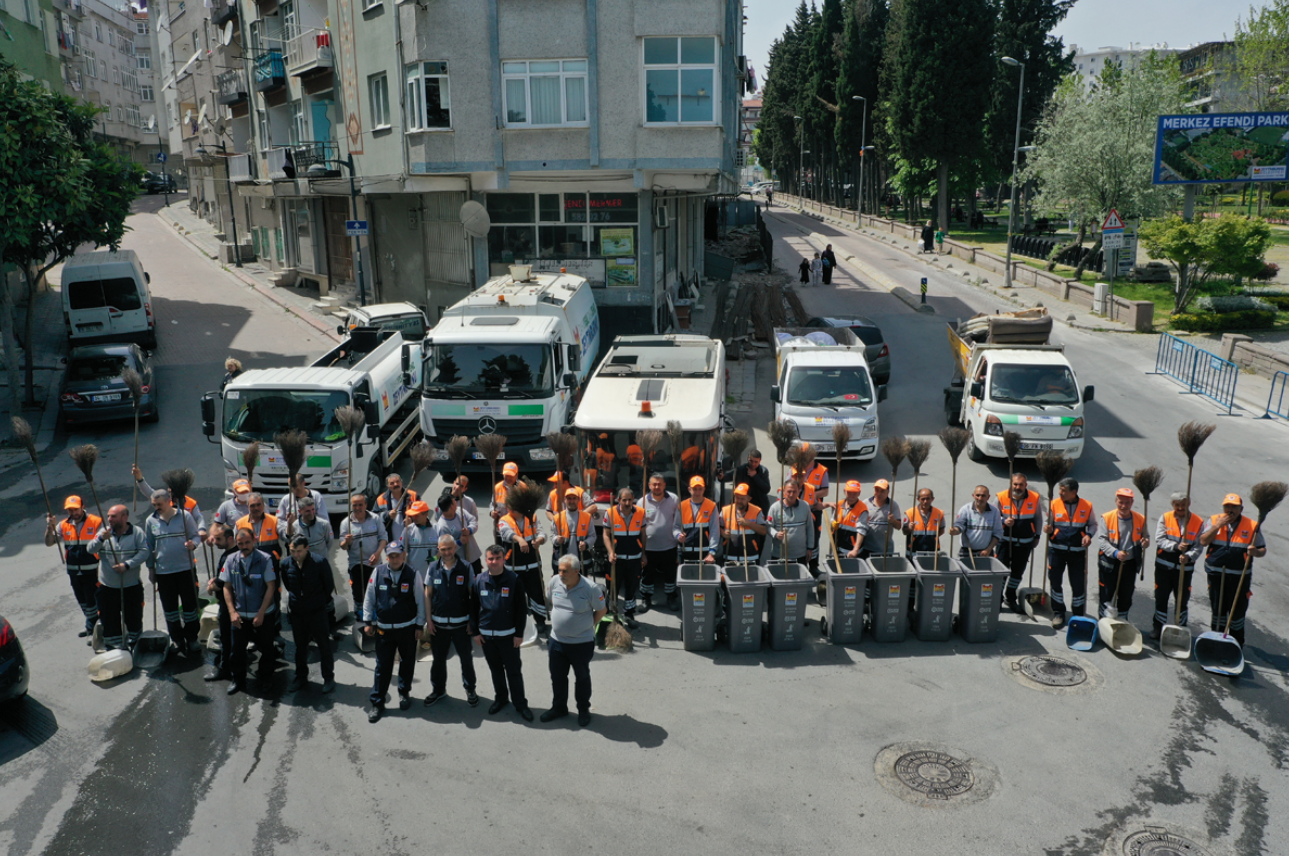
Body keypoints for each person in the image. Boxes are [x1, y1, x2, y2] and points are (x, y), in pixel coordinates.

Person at [362, 541, 424, 722]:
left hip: (408, 628)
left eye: (398, 555)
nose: (395, 559)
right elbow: (369, 598)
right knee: (382, 667)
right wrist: (368, 621)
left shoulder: (413, 574)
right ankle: (377, 702)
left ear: (403, 556)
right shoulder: (378, 572)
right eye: (391, 556)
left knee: (407, 662)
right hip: (384, 630)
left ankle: (404, 693)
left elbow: (420, 601)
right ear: (386, 557)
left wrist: (420, 626)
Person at [542, 555, 606, 727]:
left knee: (582, 677)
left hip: (581, 644)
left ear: (577, 572)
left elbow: (601, 610)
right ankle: (559, 707)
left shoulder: (590, 588)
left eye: (565, 571)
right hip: (557, 642)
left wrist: (587, 625)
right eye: (559, 570)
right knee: (558, 677)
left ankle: (583, 709)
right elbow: (550, 599)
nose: (560, 574)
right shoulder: (555, 581)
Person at [470, 544, 532, 720]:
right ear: (486, 560)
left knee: (513, 672)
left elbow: (521, 609)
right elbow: (473, 608)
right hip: (487, 637)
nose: (494, 562)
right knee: (495, 670)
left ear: (503, 559)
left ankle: (520, 704)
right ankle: (501, 698)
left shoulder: (514, 580)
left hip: (508, 637)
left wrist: (519, 634)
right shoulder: (479, 580)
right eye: (490, 558)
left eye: (498, 558)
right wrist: (475, 632)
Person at [1198, 492, 1267, 647]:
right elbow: (1203, 541)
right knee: (1218, 610)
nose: (1230, 510)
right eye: (1227, 506)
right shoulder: (1215, 520)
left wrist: (1255, 552)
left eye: (1234, 507)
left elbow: (1262, 549)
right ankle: (1215, 642)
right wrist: (1217, 526)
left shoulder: (1252, 525)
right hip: (1216, 574)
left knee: (1237, 612)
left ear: (1241, 509)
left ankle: (1235, 644)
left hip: (1239, 576)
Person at [143, 487, 203, 657]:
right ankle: (177, 639)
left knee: (190, 606)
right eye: (154, 504)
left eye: (159, 504)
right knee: (170, 609)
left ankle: (192, 638)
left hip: (185, 569)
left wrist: (194, 544)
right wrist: (151, 569)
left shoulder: (185, 517)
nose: (156, 507)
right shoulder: (150, 521)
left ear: (169, 501)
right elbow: (149, 546)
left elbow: (196, 535)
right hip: (164, 573)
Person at [219, 526, 278, 694]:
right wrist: (232, 612)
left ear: (254, 541)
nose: (244, 546)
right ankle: (238, 679)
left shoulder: (265, 560)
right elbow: (226, 587)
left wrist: (261, 613)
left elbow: (271, 587)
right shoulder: (230, 560)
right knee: (237, 650)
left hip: (262, 615)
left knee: (266, 648)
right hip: (239, 616)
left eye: (247, 542)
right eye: (240, 543)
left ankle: (266, 678)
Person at [423, 534, 478, 708]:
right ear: (438, 550)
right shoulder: (432, 567)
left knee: (466, 659)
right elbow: (428, 595)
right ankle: (439, 690)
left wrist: (472, 622)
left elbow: (473, 596)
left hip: (461, 624)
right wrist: (429, 620)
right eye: (443, 549)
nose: (446, 552)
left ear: (455, 548)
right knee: (438, 660)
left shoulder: (466, 567)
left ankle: (470, 689)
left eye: (449, 548)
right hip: (438, 624)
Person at [88, 504, 149, 652]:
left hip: (131, 585)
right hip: (108, 587)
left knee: (133, 617)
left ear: (124, 517)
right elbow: (90, 549)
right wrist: (101, 539)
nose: (109, 519)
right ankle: (114, 647)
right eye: (108, 516)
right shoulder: (103, 533)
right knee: (109, 619)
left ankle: (134, 643)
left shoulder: (137, 533)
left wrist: (127, 565)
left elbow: (144, 552)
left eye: (113, 516)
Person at [282, 535, 336, 694]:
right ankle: (300, 677)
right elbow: (287, 584)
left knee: (324, 645)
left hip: (317, 612)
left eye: (299, 551)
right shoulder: (286, 564)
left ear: (307, 548)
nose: (296, 555)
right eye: (292, 551)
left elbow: (328, 586)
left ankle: (328, 678)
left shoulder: (319, 563)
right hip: (297, 613)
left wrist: (317, 602)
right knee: (300, 647)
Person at [45, 495, 102, 639]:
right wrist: (50, 527)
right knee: (82, 600)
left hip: (91, 570)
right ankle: (91, 626)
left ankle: (95, 630)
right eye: (70, 510)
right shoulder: (63, 525)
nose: (73, 513)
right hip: (73, 571)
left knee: (92, 601)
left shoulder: (95, 521)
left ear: (82, 507)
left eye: (75, 509)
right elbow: (49, 542)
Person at [1043, 476, 1097, 630]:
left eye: (1064, 491)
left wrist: (1088, 535)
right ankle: (1059, 613)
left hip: (1077, 553)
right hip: (1056, 551)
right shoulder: (1054, 504)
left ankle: (1078, 615)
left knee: (1078, 585)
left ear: (1074, 492)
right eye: (1060, 489)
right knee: (1055, 582)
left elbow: (1093, 524)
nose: (1060, 493)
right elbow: (1049, 525)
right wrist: (1047, 529)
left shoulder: (1087, 506)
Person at [1151, 492, 1204, 640]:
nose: (1180, 508)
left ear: (1189, 504)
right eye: (1177, 505)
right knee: (1161, 598)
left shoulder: (1198, 522)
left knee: (1182, 600)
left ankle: (1179, 629)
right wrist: (1176, 547)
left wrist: (1188, 556)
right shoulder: (1165, 518)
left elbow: (1199, 547)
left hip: (1184, 569)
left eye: (1183, 505)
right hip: (1163, 567)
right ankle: (1158, 628)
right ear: (1173, 505)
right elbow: (1159, 539)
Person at [499, 491, 548, 633]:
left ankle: (540, 621)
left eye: (512, 507)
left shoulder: (531, 517)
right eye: (508, 506)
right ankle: (516, 622)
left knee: (537, 593)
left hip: (533, 564)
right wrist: (519, 539)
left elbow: (542, 533)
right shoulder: (504, 520)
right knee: (515, 596)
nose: (510, 509)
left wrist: (539, 540)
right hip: (514, 566)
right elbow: (506, 533)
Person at [1096, 488, 1148, 620]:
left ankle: (1122, 620)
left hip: (1130, 564)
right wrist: (1115, 553)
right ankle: (1103, 621)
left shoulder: (1140, 519)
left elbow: (1145, 538)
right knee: (1106, 594)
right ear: (1116, 501)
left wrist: (1146, 542)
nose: (1123, 506)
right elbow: (1102, 540)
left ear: (1132, 503)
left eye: (1127, 502)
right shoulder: (1107, 518)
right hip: (1109, 563)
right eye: (1121, 502)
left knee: (1126, 595)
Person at [997, 473, 1044, 614]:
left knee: (1017, 573)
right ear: (1011, 484)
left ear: (1026, 485)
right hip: (1004, 541)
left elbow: (1038, 519)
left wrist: (1037, 536)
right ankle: (997, 599)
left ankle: (1010, 597)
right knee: (1001, 572)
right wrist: (1003, 520)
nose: (1018, 487)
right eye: (1015, 484)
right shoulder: (1000, 497)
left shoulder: (1034, 498)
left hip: (1025, 543)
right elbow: (992, 516)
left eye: (1021, 484)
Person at [603, 488, 646, 629]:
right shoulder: (609, 513)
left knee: (631, 587)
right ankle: (611, 614)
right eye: (624, 500)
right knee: (613, 587)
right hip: (616, 560)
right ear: (618, 500)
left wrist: (643, 553)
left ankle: (629, 613)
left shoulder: (640, 513)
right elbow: (605, 535)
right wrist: (610, 552)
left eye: (630, 499)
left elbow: (643, 534)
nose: (627, 503)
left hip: (634, 558)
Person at [340, 493, 388, 616]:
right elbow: (342, 546)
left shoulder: (375, 518)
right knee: (358, 591)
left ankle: (378, 612)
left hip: (374, 562)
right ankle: (360, 614)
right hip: (356, 563)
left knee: (376, 589)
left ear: (366, 505)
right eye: (355, 505)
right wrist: (346, 541)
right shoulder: (346, 523)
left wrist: (378, 553)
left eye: (360, 505)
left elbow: (383, 538)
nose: (357, 508)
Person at [639, 474, 679, 615]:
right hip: (649, 547)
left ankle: (671, 597)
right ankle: (646, 598)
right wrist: (642, 551)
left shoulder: (674, 499)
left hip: (669, 545)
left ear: (664, 485)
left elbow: (678, 522)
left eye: (659, 484)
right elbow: (639, 527)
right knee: (647, 574)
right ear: (649, 486)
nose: (657, 487)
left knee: (670, 574)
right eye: (654, 484)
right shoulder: (641, 502)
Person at [133, 465, 207, 539]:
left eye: (171, 489)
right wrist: (140, 479)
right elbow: (149, 492)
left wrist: (202, 529)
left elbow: (199, 518)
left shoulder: (191, 503)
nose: (168, 490)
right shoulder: (165, 500)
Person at [203, 523, 237, 682]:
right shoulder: (229, 553)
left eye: (218, 539)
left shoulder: (231, 556)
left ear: (230, 539)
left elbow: (226, 581)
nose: (214, 541)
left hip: (230, 604)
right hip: (230, 602)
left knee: (228, 637)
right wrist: (216, 579)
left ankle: (227, 669)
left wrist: (213, 586)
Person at [765, 480, 814, 566]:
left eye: (794, 491)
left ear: (799, 491)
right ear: (784, 492)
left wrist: (810, 548)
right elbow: (768, 527)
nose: (791, 494)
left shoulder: (805, 506)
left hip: (800, 555)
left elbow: (810, 528)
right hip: (779, 555)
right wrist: (776, 534)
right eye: (789, 491)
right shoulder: (775, 508)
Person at [677, 475, 720, 570]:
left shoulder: (711, 506)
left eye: (700, 489)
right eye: (694, 489)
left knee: (704, 582)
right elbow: (675, 526)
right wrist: (678, 535)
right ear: (689, 489)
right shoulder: (681, 506)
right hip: (684, 551)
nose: (697, 492)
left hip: (704, 552)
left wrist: (712, 552)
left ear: (704, 489)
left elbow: (714, 530)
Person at [951, 485, 1003, 560]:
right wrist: (955, 530)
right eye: (978, 495)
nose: (980, 498)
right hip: (967, 552)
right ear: (973, 495)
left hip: (986, 552)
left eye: (983, 496)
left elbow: (998, 533)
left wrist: (988, 549)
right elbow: (959, 525)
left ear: (988, 497)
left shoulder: (994, 511)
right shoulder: (965, 509)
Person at [431, 493, 480, 570]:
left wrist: (469, 530)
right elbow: (445, 548)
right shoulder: (442, 526)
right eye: (454, 502)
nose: (457, 504)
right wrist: (460, 542)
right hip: (459, 562)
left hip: (473, 556)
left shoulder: (460, 511)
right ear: (451, 506)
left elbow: (473, 521)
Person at [551, 487, 595, 572]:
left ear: (579, 500)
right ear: (565, 500)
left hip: (581, 562)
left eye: (574, 498)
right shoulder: (557, 518)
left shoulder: (587, 517)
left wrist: (586, 544)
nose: (571, 501)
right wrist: (557, 540)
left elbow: (592, 536)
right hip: (562, 562)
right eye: (569, 498)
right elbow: (552, 536)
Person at [721, 483, 767, 564]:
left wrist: (749, 523)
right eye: (737, 498)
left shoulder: (757, 511)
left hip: (750, 558)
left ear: (749, 498)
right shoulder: (726, 510)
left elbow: (763, 531)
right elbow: (716, 527)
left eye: (742, 499)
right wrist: (723, 533)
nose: (739, 501)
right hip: (729, 557)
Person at [277, 494, 332, 559]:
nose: (311, 513)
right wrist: (289, 523)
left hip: (321, 562)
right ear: (300, 511)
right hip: (302, 563)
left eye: (313, 509)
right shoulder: (294, 526)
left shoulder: (324, 524)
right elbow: (288, 539)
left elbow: (329, 542)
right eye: (308, 511)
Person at [235, 493, 280, 564]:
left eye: (258, 505)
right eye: (252, 506)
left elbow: (287, 536)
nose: (256, 508)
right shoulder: (239, 523)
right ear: (248, 507)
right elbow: (235, 546)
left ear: (263, 505)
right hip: (249, 563)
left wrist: (289, 524)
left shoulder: (274, 521)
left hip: (271, 562)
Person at [861, 479, 901, 557]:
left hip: (885, 549)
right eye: (876, 490)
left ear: (888, 492)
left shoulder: (893, 505)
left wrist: (893, 521)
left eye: (882, 491)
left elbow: (898, 526)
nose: (879, 493)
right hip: (867, 548)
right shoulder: (866, 503)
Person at [830, 481, 870, 558]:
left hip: (852, 552)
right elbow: (833, 519)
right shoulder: (839, 504)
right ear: (844, 492)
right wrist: (833, 523)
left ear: (859, 493)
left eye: (854, 493)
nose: (851, 496)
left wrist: (855, 550)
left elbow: (861, 531)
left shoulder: (862, 509)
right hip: (838, 549)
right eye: (849, 492)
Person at [902, 488, 946, 556]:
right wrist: (909, 529)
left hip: (932, 552)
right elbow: (904, 532)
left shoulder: (939, 513)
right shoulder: (910, 513)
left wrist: (932, 538)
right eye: (923, 499)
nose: (925, 501)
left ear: (932, 499)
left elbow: (942, 530)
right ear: (918, 499)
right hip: (914, 552)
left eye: (928, 498)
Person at [376, 473, 417, 543]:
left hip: (412, 539)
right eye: (392, 483)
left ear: (401, 482)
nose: (395, 484)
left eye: (397, 481)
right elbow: (374, 517)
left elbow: (423, 513)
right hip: (391, 542)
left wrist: (412, 520)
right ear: (388, 486)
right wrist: (387, 515)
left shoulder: (413, 495)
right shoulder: (381, 499)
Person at [402, 500, 439, 573]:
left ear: (426, 514)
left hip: (433, 574)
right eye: (413, 515)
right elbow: (401, 550)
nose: (414, 518)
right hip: (414, 575)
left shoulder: (437, 528)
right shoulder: (408, 530)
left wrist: (435, 557)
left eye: (417, 515)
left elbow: (444, 549)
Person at [733, 449, 772, 514]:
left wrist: (755, 476)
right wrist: (722, 477)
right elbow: (731, 475)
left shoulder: (763, 471)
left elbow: (766, 489)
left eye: (756, 462)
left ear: (760, 461)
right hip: (743, 505)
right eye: (751, 461)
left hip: (760, 505)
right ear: (748, 459)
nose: (753, 464)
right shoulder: (741, 469)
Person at [491, 462, 520, 539]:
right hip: (500, 528)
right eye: (506, 475)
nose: (508, 478)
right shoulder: (497, 487)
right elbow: (493, 504)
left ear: (516, 475)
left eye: (511, 476)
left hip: (518, 529)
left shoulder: (523, 488)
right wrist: (492, 512)